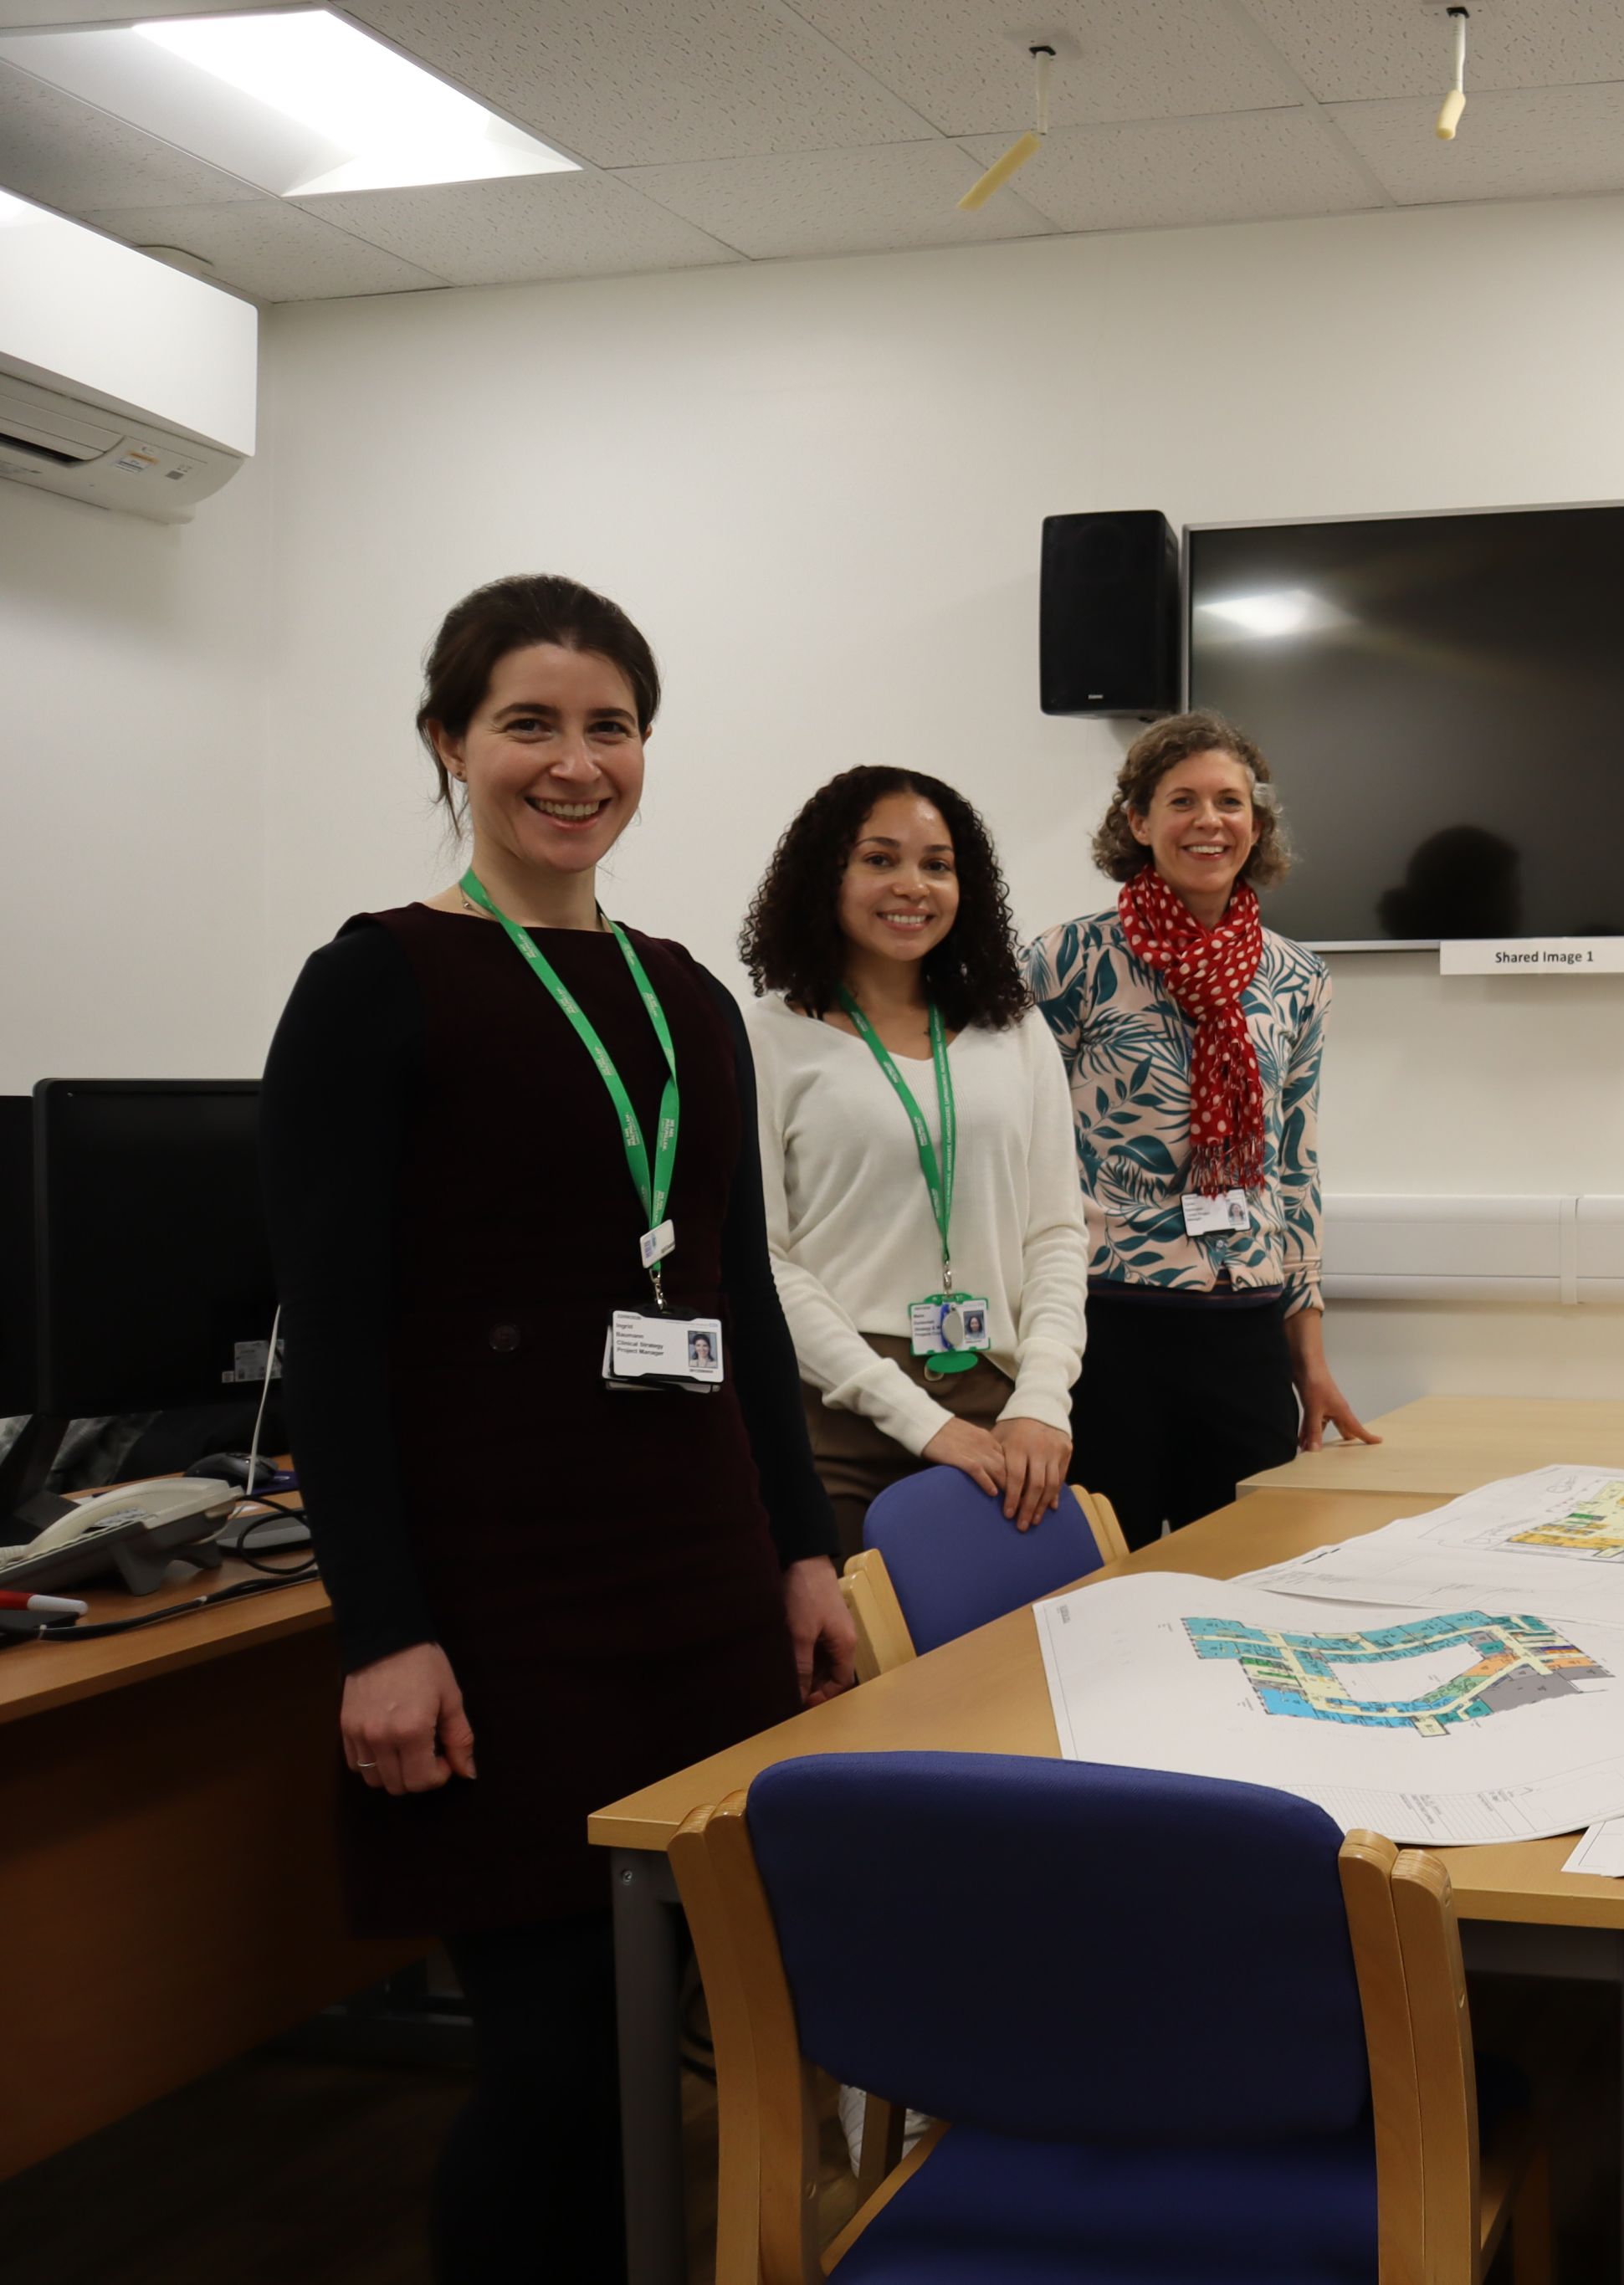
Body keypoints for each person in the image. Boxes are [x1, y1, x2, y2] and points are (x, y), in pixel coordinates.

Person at [260, 575, 858, 2283]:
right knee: (553, 2066)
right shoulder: (375, 986)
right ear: (449, 742)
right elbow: (337, 1349)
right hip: (500, 1613)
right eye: (529, 722)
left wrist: (801, 1551)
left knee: (675, 2046)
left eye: (609, 726)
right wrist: (384, 1632)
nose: (572, 761)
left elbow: (735, 1301)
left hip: (697, 1591)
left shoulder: (686, 1000)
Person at [1025, 710, 1377, 1535]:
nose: (1209, 821)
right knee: (1107, 1580)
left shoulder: (1298, 977)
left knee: (1247, 1571)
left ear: (1257, 824)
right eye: (1182, 801)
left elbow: (1295, 1169)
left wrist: (1311, 1363)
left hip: (1244, 1326)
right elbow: (1022, 1152)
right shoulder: (1066, 961)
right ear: (1139, 821)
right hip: (1105, 1325)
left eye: (1230, 801)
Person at [740, 767, 1091, 1553]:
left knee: (1008, 1665)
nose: (913, 885)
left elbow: (1057, 1234)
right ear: (825, 875)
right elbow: (764, 1261)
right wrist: (922, 1421)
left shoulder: (1015, 1031)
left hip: (1004, 1411)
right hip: (835, 1415)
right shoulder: (765, 1036)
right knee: (856, 1674)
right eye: (879, 858)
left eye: (937, 864)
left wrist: (1041, 1398)